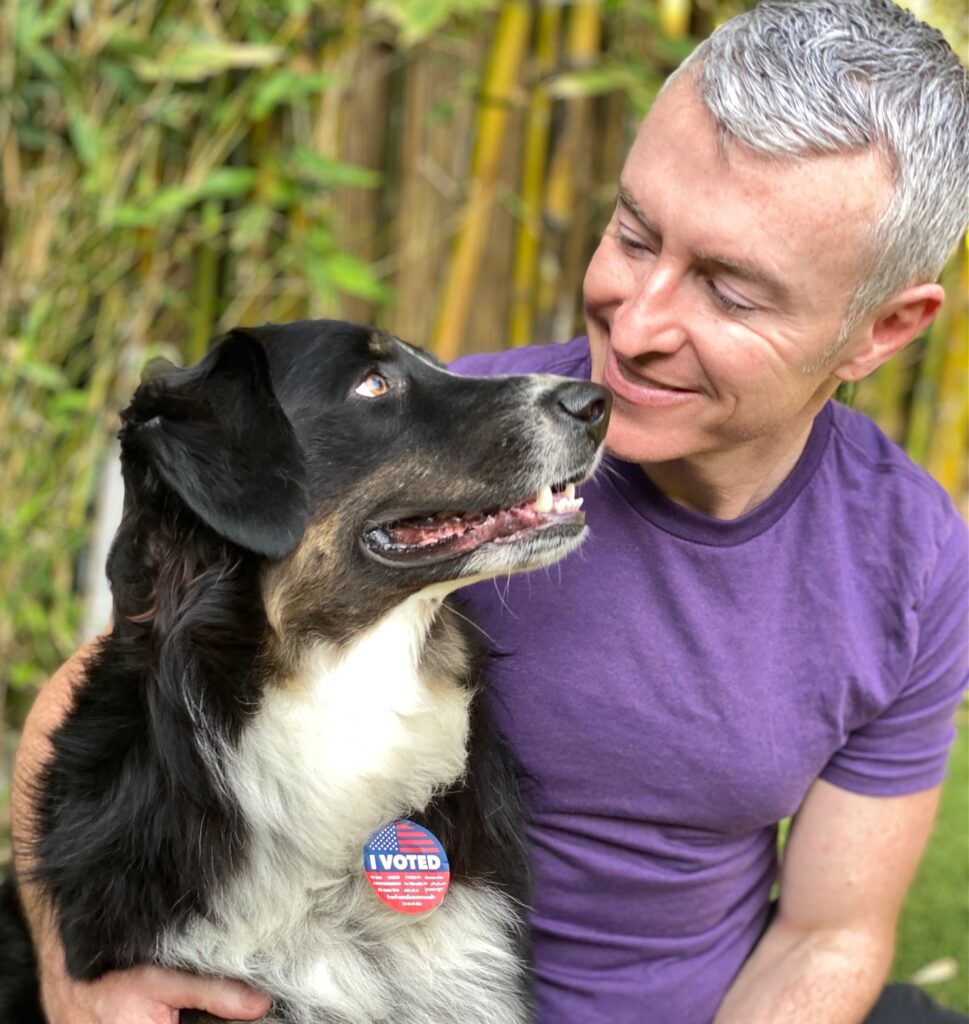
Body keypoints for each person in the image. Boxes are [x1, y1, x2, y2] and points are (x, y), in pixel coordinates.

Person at [11, 1, 968, 1022]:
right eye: (635, 235)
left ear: (883, 328)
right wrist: (72, 968)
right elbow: (115, 687)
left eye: (730, 292)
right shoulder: (446, 452)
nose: (637, 325)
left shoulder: (908, 560)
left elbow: (829, 934)